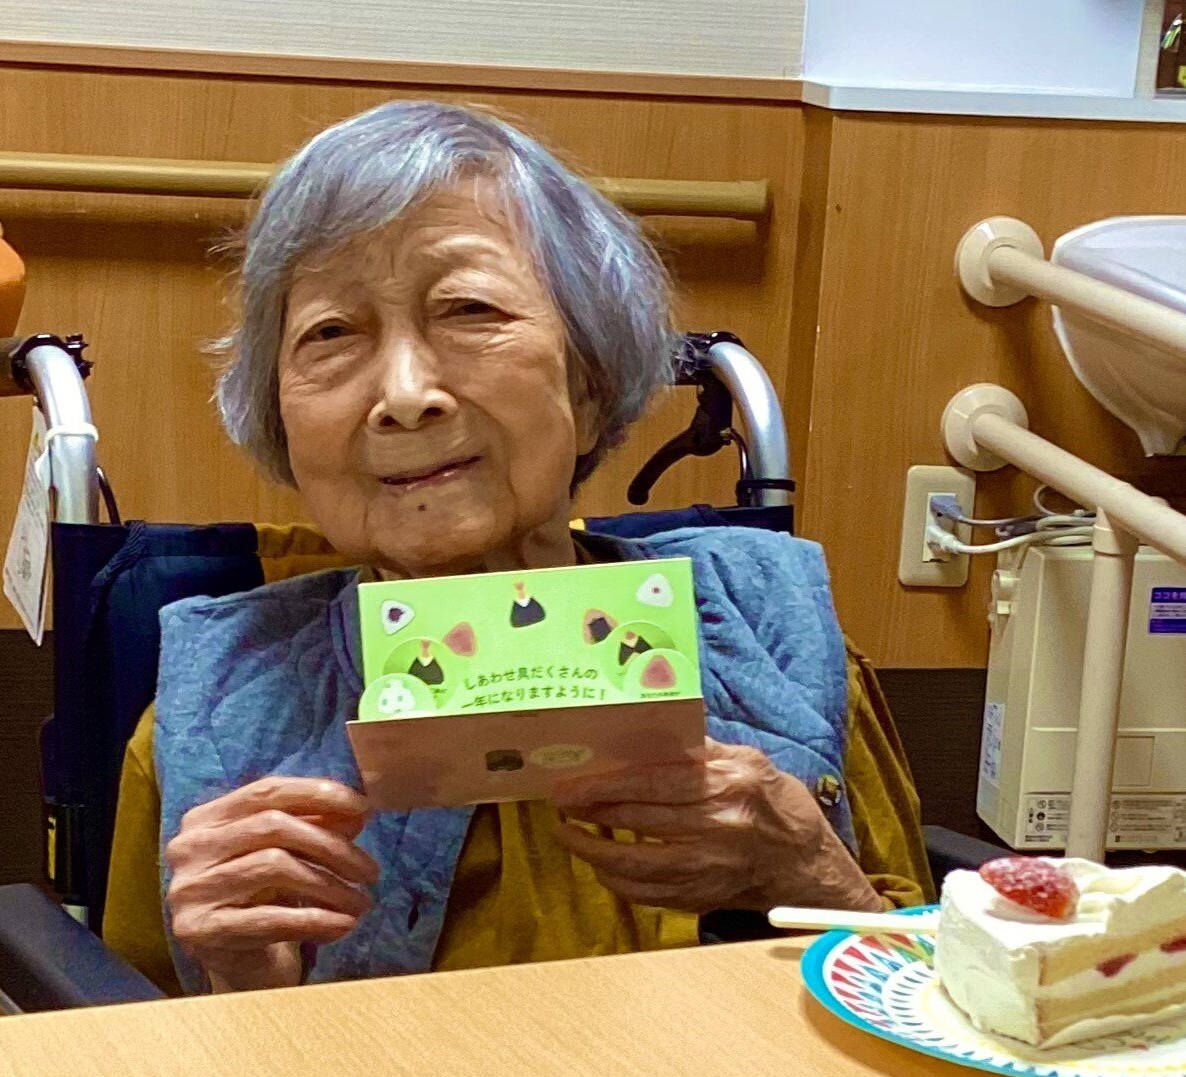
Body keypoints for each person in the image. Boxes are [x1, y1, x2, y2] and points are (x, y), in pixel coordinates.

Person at [103, 101, 932, 996]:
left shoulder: (777, 640)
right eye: (331, 334)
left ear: (588, 387)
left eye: (468, 309)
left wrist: (809, 869)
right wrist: (241, 978)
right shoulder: (210, 716)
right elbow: (126, 1038)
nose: (405, 395)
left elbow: (926, 997)